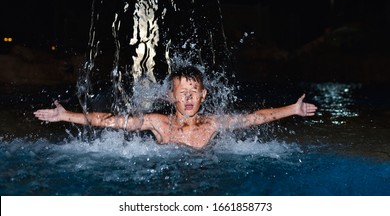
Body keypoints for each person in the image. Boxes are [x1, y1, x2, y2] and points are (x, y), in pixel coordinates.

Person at [34, 66, 318, 149]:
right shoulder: (160, 123)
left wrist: (292, 109)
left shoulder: (213, 123)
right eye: (182, 93)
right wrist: (65, 115)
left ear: (204, 95)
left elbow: (255, 118)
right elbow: (110, 120)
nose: (189, 98)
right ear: (171, 97)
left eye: (194, 92)